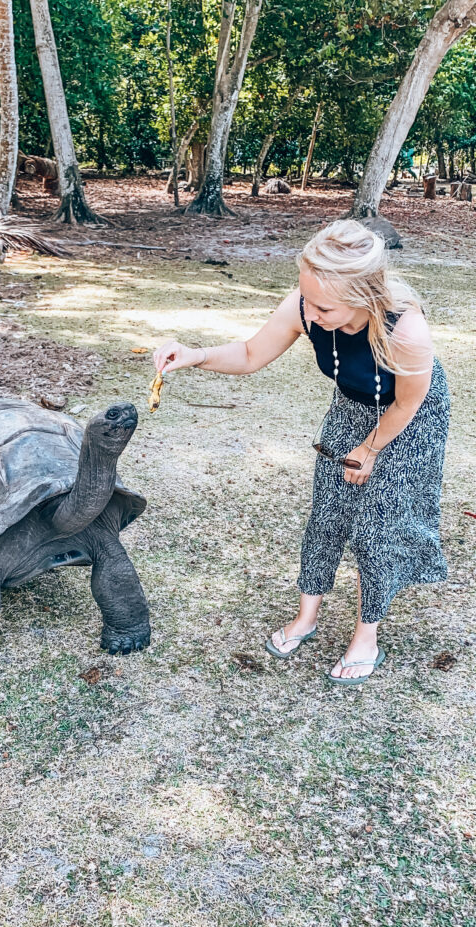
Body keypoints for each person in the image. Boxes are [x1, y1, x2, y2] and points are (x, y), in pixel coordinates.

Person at [153, 220, 450, 682]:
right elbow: (252, 354)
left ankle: (366, 636)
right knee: (328, 511)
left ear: (364, 297)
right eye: (305, 298)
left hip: (407, 418)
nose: (310, 313)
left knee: (378, 525)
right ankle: (306, 616)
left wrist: (370, 448)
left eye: (324, 306)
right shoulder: (306, 306)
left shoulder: (406, 329)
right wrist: (196, 355)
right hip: (353, 405)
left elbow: (409, 401)